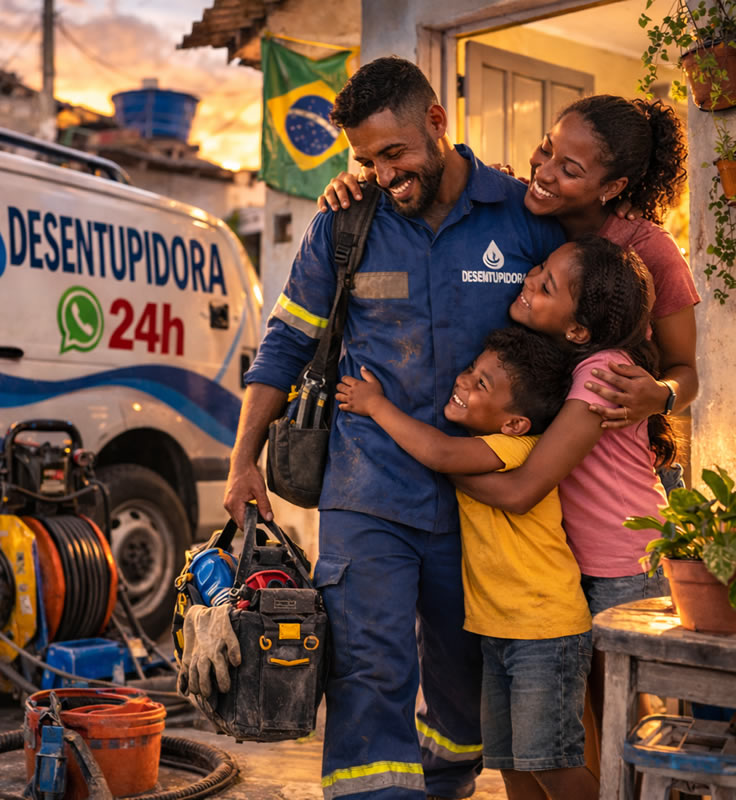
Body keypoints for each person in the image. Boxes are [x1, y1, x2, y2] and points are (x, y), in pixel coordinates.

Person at [224, 56, 565, 800]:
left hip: (480, 499)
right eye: (367, 161)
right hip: (367, 486)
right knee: (368, 665)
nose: (383, 175)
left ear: (437, 122)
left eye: (395, 154)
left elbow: (574, 331)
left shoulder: (520, 216)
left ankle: (448, 781)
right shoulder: (344, 225)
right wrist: (242, 458)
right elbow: (284, 344)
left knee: (462, 672)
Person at [319, 94, 699, 440]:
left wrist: (662, 396)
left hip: (615, 454)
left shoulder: (647, 250)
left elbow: (686, 372)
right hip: (528, 445)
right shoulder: (509, 209)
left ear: (613, 188)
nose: (544, 172)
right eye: (546, 148)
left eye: (569, 170)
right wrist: (365, 185)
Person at [335, 325, 598, 800]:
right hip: (500, 630)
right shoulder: (486, 448)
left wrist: (375, 405)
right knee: (512, 765)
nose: (463, 380)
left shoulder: (515, 449)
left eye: (482, 384)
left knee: (551, 763)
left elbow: (437, 453)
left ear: (515, 423)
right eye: (472, 369)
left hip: (544, 631)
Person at [454, 235, 677, 740]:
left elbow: (521, 492)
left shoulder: (602, 374)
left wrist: (435, 463)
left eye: (547, 286)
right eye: (538, 268)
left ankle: (643, 783)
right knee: (596, 712)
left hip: (626, 562)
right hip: (592, 561)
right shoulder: (569, 361)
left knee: (621, 713)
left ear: (578, 329)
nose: (529, 279)